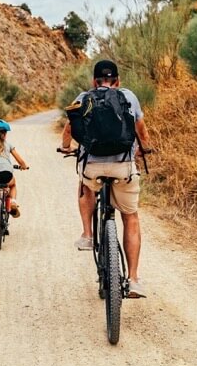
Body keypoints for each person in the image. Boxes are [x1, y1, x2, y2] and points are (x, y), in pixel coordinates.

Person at [58, 60, 153, 298]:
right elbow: (141, 130)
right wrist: (145, 149)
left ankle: (88, 235)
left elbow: (70, 129)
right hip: (123, 166)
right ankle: (133, 279)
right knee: (130, 217)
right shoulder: (128, 96)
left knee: (85, 184)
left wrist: (65, 147)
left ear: (94, 81)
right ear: (118, 81)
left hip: (93, 166)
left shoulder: (83, 97)